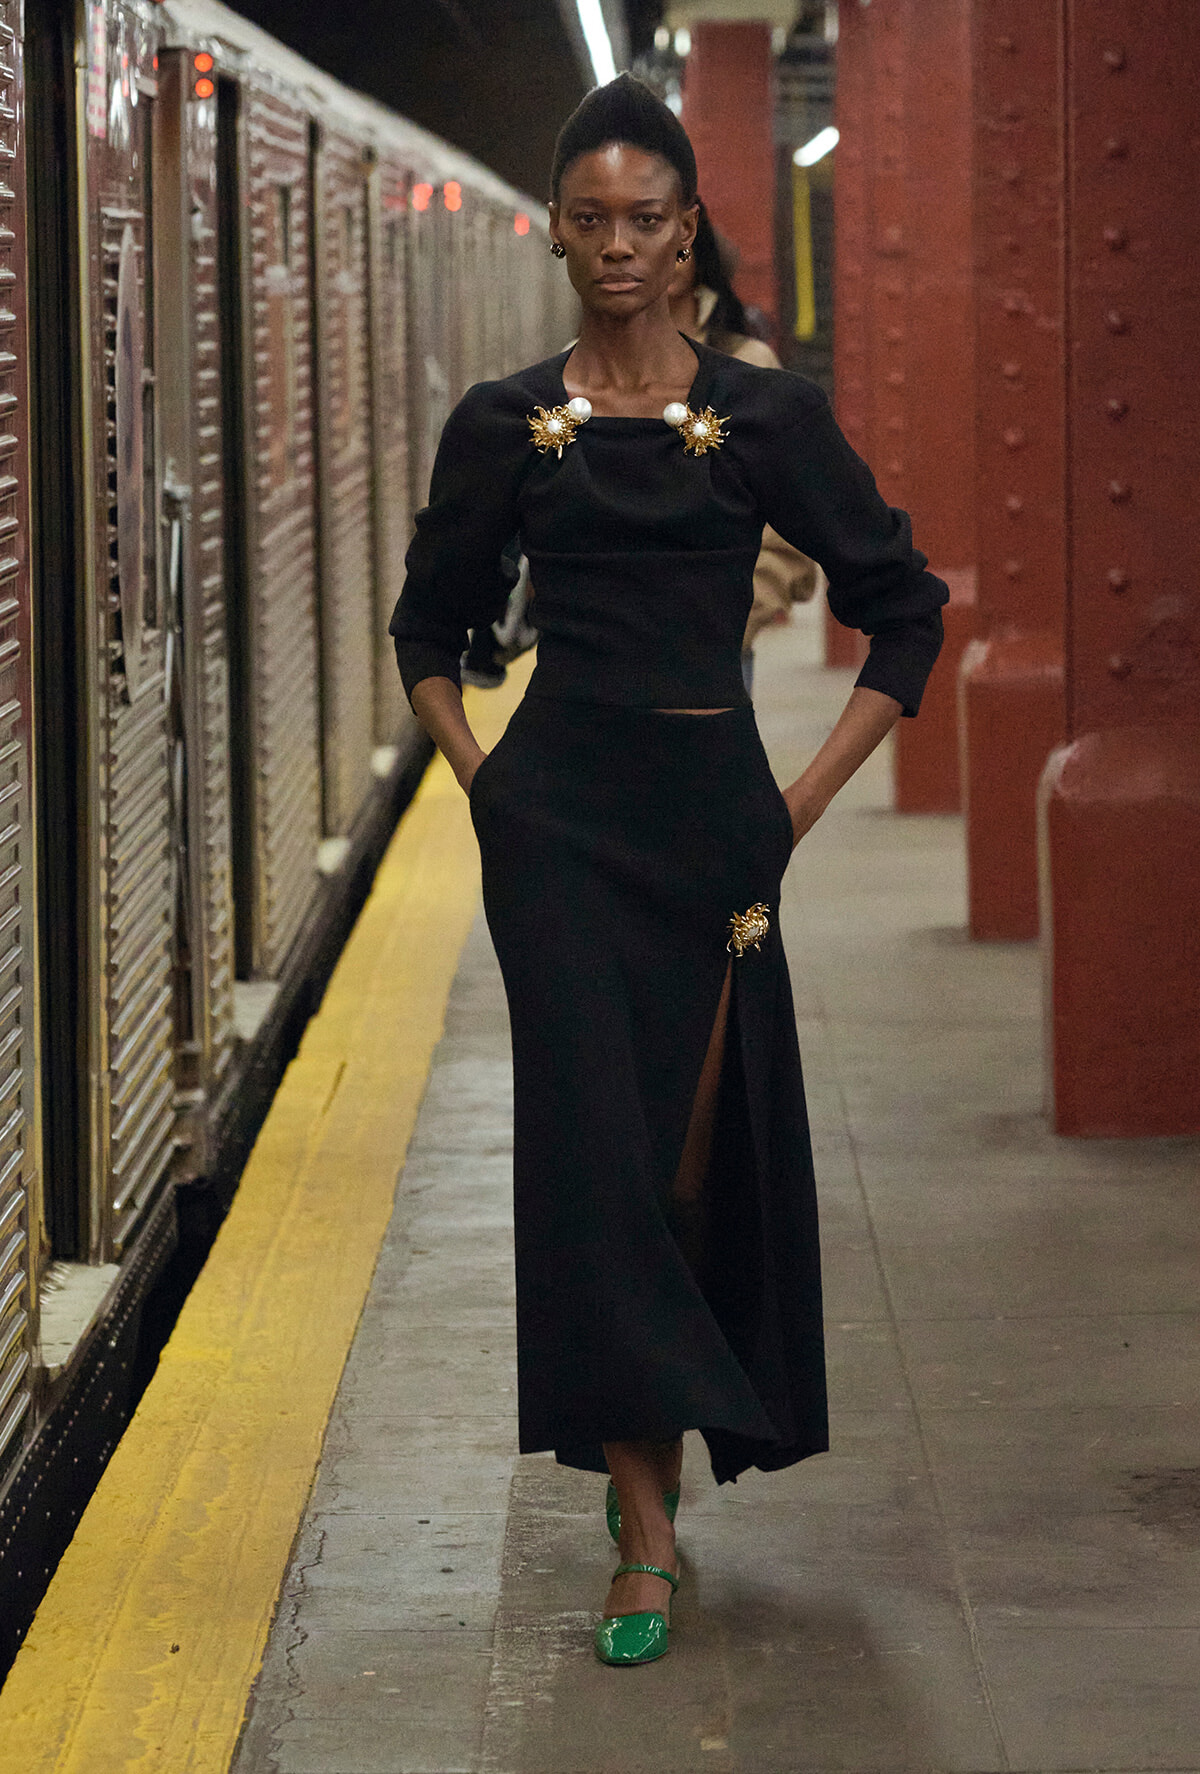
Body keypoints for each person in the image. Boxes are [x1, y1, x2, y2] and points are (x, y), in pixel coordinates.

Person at [389, 74, 947, 1668]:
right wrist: (491, 787)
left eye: (648, 219)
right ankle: (640, 1534)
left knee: (683, 1163)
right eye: (592, 219)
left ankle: (665, 1489)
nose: (619, 245)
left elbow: (905, 605)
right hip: (557, 829)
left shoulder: (763, 416)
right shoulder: (506, 421)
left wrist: (801, 799)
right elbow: (431, 632)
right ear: (556, 231)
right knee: (594, 1167)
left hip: (716, 834)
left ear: (688, 229)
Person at [668, 201, 822, 688]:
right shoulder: (572, 375)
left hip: (716, 656)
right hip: (599, 668)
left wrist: (736, 617)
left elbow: (793, 517)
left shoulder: (749, 367)